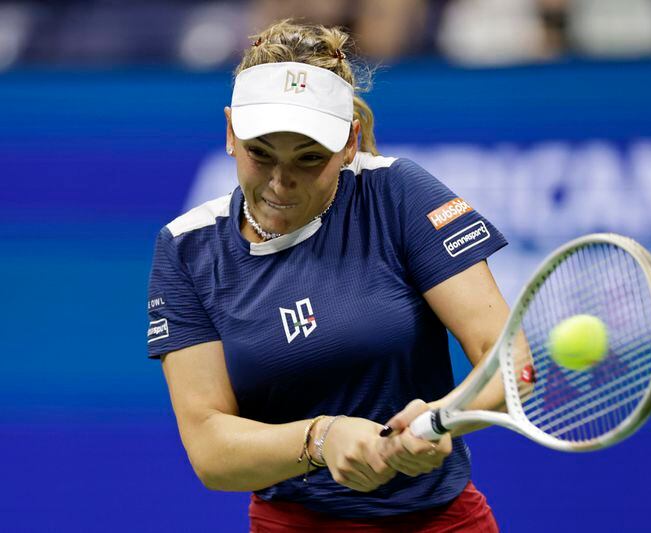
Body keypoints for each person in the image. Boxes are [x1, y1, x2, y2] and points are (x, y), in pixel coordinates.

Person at [146, 19, 511, 532]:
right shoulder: (187, 247)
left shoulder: (398, 193)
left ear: (349, 143)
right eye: (260, 154)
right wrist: (321, 438)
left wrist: (441, 419)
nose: (279, 183)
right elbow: (209, 448)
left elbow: (506, 356)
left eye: (309, 159)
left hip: (442, 521)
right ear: (230, 132)